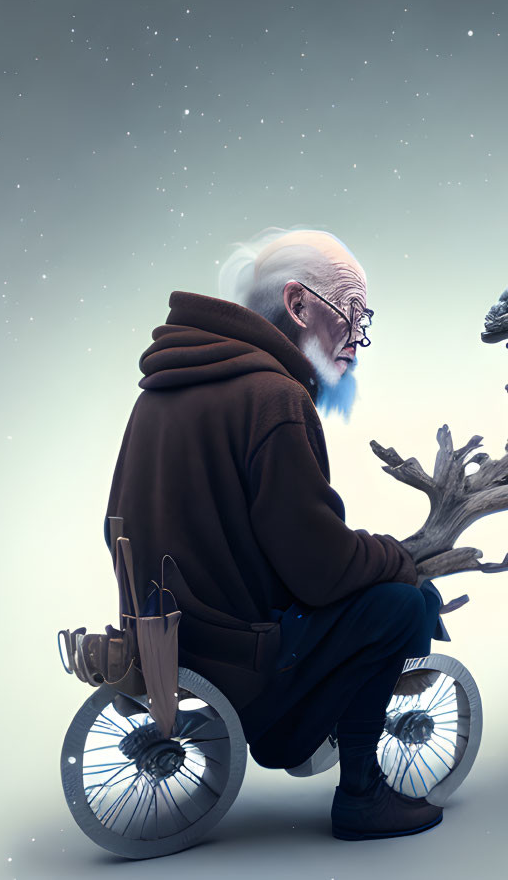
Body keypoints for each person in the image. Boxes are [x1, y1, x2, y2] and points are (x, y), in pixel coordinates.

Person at [104, 227, 445, 840]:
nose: (357, 342)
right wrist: (396, 557)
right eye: (352, 315)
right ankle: (364, 794)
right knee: (402, 605)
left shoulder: (161, 392)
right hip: (247, 667)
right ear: (298, 305)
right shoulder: (274, 397)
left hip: (175, 643)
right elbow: (319, 568)